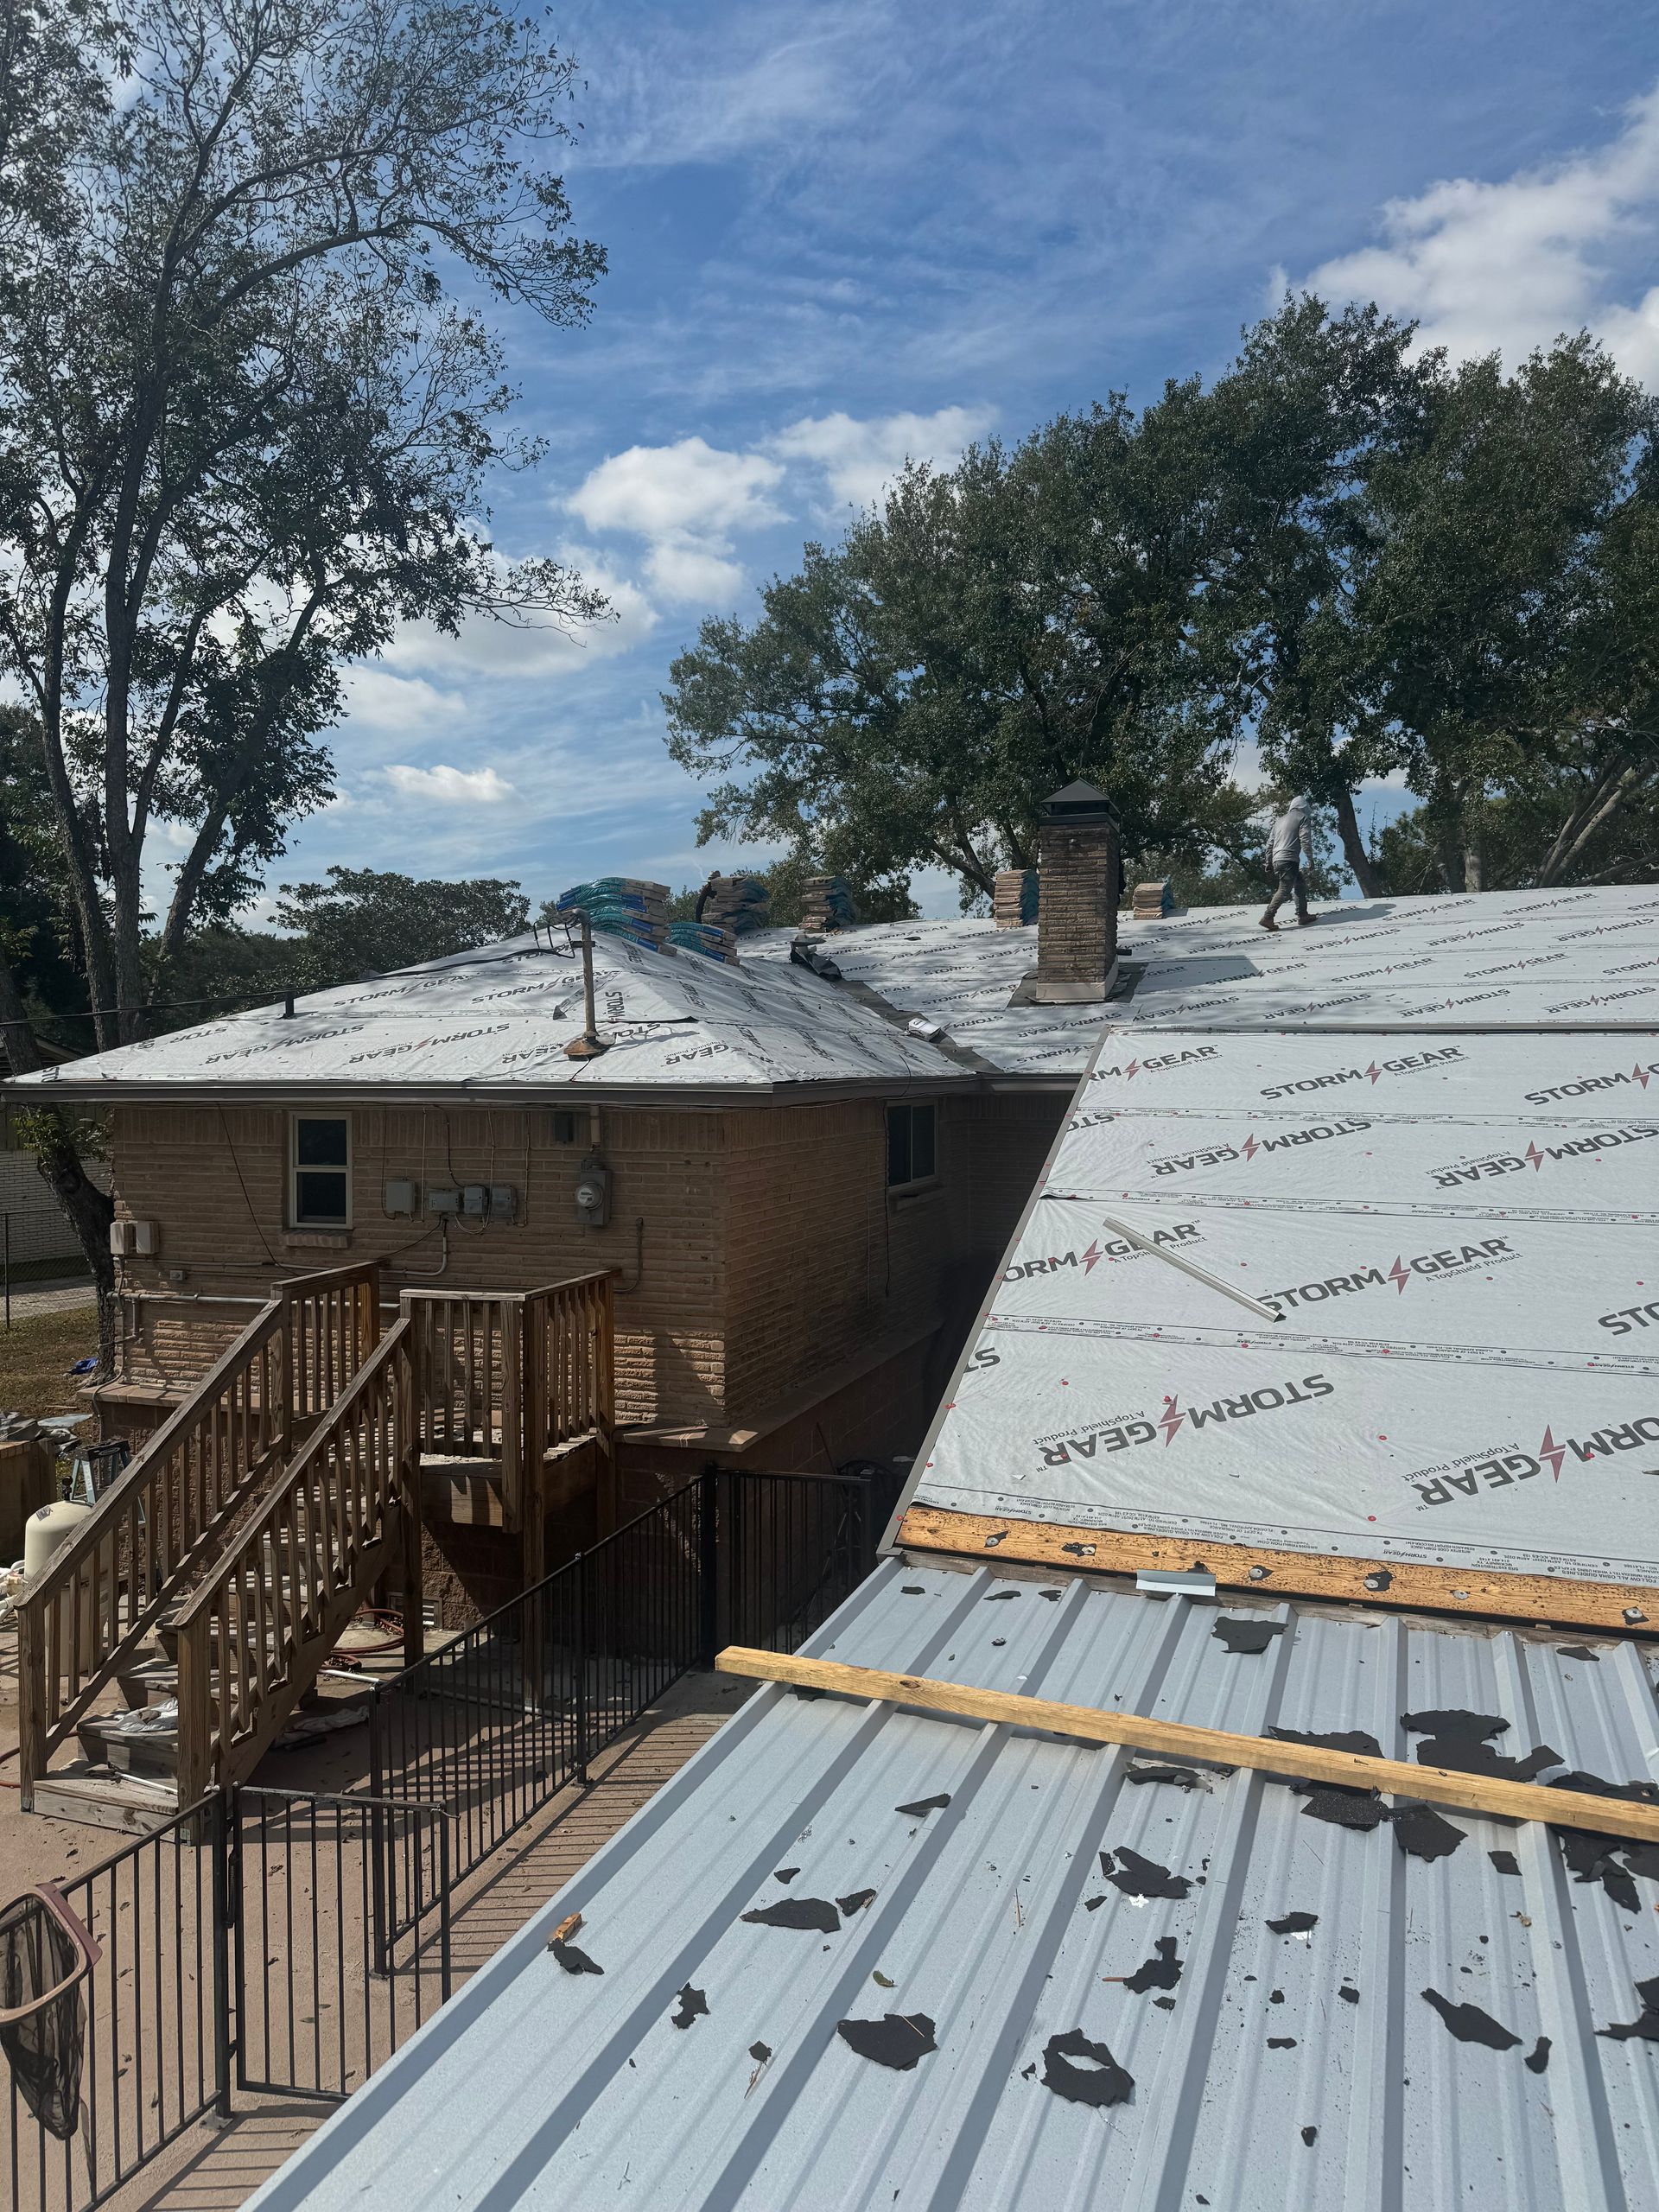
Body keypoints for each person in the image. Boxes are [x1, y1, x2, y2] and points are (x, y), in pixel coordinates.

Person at [1260, 795, 1316, 930]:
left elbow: (1270, 844)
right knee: (1284, 889)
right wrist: (1310, 858)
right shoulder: (1302, 818)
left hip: (1277, 858)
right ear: (1303, 807)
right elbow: (1305, 840)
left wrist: (1268, 862)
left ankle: (1303, 915)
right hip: (1289, 859)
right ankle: (1268, 917)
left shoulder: (1279, 821)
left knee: (1300, 884)